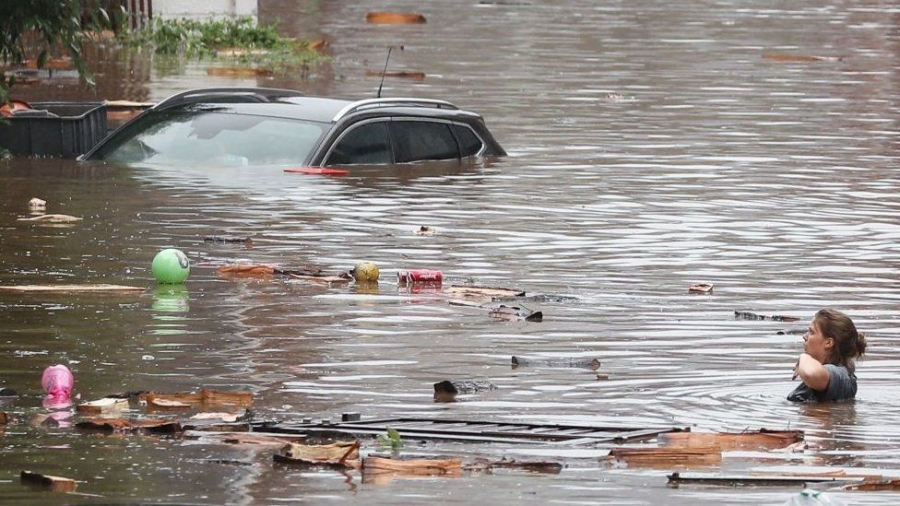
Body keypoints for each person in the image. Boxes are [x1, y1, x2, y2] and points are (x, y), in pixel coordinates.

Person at [788, 308, 867, 403]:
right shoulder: (844, 374)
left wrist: (804, 357)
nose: (805, 336)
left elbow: (812, 373)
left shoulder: (839, 374)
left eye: (811, 332)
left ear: (828, 342)